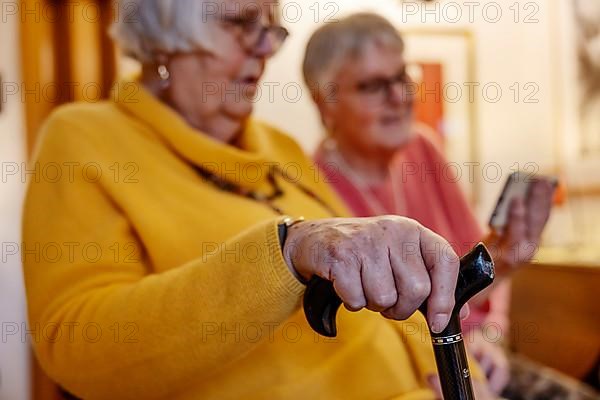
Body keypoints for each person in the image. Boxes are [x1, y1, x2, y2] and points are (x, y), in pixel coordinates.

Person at [22, 1, 490, 399]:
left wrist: (458, 365)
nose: (266, 50)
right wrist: (287, 251)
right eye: (241, 24)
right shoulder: (85, 138)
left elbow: (383, 304)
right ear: (165, 31)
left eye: (269, 29)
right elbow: (77, 342)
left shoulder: (279, 147)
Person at [304, 13, 555, 398]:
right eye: (372, 86)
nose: (398, 97)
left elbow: (478, 271)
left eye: (401, 77)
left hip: (481, 360)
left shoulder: (423, 149)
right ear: (326, 103)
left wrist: (491, 331)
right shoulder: (310, 188)